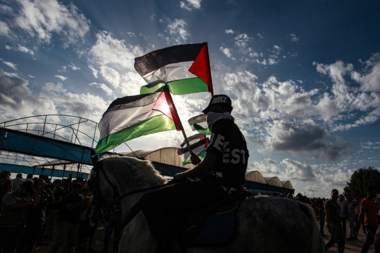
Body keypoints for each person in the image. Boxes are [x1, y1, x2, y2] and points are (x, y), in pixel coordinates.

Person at [139, 94, 249, 253]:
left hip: (217, 188)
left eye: (208, 112)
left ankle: (174, 248)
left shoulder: (221, 126)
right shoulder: (236, 132)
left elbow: (207, 167)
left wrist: (183, 175)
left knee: (149, 200)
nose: (206, 116)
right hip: (232, 187)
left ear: (216, 109)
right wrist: (199, 163)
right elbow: (220, 165)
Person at [50, 182, 90, 253]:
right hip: (66, 221)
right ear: (73, 189)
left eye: (79, 190)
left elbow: (79, 209)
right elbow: (70, 208)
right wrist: (81, 203)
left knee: (72, 241)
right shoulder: (68, 197)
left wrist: (85, 205)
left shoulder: (78, 198)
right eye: (77, 190)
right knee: (60, 241)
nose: (78, 191)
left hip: (75, 221)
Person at [0, 181, 37, 252]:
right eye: (27, 190)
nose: (27, 193)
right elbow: (14, 206)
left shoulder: (27, 197)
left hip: (20, 225)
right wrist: (30, 203)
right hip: (7, 224)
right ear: (21, 188)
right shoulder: (10, 195)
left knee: (11, 246)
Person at [356, 186, 379, 253]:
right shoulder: (365, 201)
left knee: (369, 241)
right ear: (369, 192)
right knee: (377, 240)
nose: (375, 194)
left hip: (375, 223)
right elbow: (361, 213)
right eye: (374, 192)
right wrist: (358, 223)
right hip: (370, 224)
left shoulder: (373, 201)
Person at [325, 189, 345, 253]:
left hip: (338, 224)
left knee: (342, 240)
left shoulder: (336, 203)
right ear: (331, 195)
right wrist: (331, 223)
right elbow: (327, 214)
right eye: (334, 194)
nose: (335, 195)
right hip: (332, 224)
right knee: (332, 240)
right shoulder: (329, 202)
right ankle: (322, 249)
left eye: (336, 194)